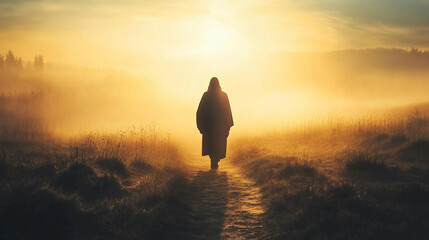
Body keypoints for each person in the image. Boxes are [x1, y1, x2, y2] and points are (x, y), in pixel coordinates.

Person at [197, 77, 234, 169]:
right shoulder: (223, 95)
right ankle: (215, 161)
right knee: (218, 144)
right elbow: (227, 111)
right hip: (220, 127)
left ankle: (213, 160)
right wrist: (227, 126)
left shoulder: (206, 95)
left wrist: (201, 126)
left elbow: (200, 111)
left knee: (211, 145)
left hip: (209, 127)